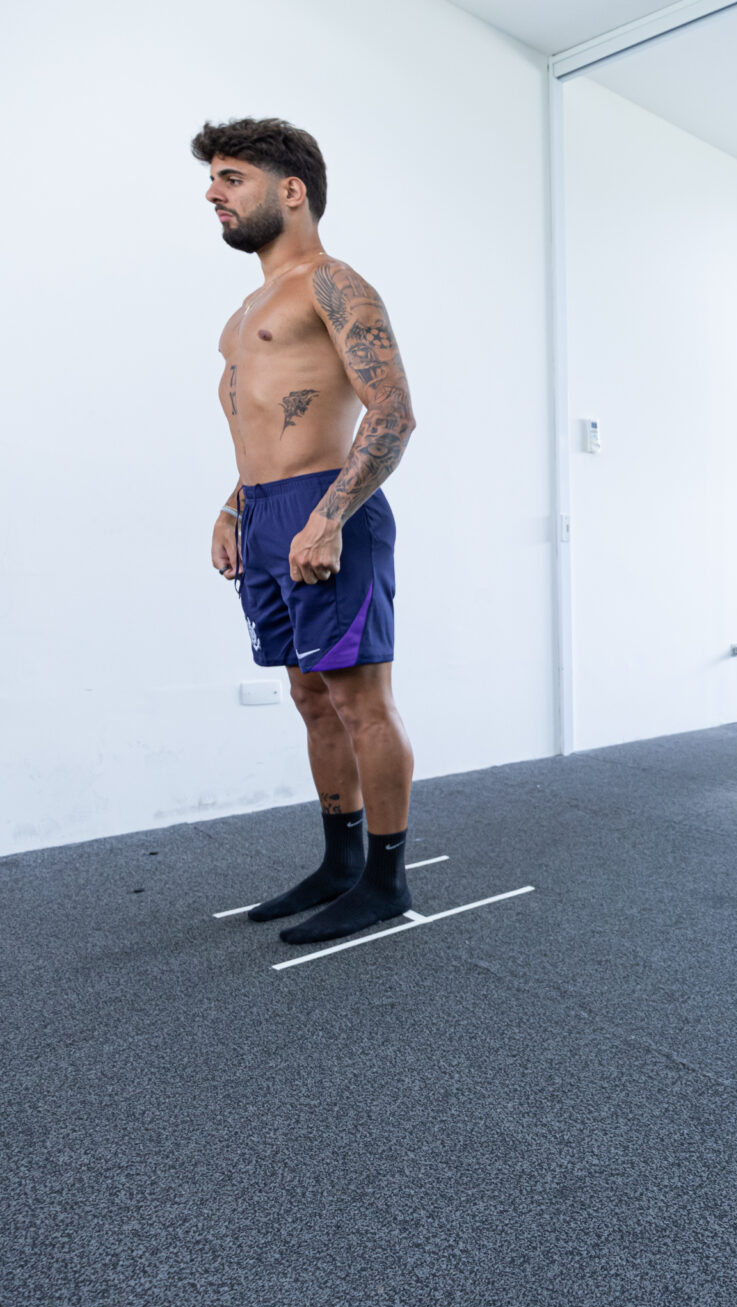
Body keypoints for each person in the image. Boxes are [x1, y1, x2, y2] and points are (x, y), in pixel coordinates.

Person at [198, 118, 419, 945]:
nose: (213, 194)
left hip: (332, 508)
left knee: (361, 700)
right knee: (308, 696)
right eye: (213, 180)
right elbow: (261, 428)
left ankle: (387, 879)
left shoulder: (335, 285)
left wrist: (330, 516)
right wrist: (232, 507)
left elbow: (393, 413)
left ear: (290, 191)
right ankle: (339, 862)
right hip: (264, 517)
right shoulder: (246, 310)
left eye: (231, 178)